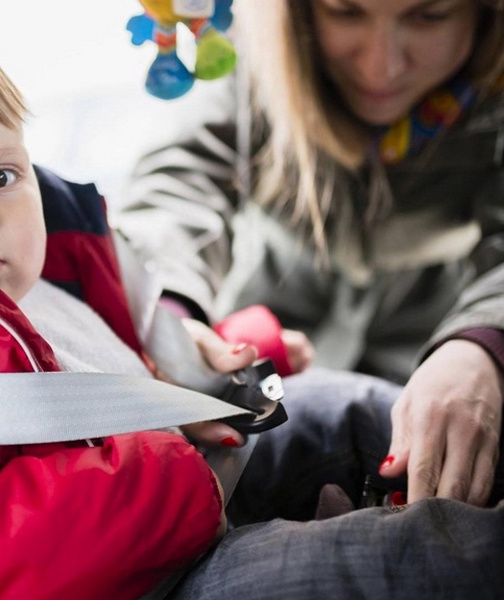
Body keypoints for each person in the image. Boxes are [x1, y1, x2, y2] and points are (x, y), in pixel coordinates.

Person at [0, 15, 504, 600]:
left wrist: (222, 352)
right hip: (160, 578)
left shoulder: (41, 292)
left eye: (0, 176)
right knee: (414, 556)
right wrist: (169, 450)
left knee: (352, 409)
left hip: (186, 501)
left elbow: (119, 365)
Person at [115, 0, 504, 508]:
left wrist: (483, 345)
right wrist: (166, 316)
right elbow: (180, 183)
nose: (380, 65)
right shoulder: (243, 49)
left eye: (429, 16)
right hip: (256, 332)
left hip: (431, 343)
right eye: (345, 12)